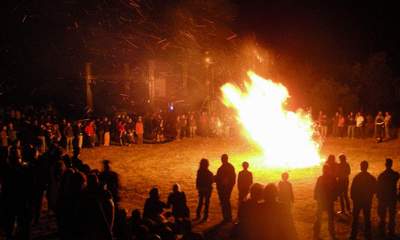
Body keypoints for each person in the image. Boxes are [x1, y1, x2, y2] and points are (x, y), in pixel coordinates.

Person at [349, 160, 376, 240]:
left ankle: (353, 235)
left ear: (361, 167)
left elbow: (352, 190)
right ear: (367, 167)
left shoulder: (357, 177)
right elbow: (375, 189)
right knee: (367, 218)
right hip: (367, 201)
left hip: (357, 201)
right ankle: (368, 234)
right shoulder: (371, 178)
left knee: (355, 219)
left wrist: (354, 198)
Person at [313, 164, 338, 240]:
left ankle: (318, 230)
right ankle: (329, 230)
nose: (325, 171)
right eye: (324, 170)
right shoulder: (329, 178)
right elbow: (317, 188)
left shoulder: (323, 178)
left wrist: (316, 196)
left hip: (324, 200)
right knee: (326, 217)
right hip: (325, 200)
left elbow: (317, 188)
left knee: (321, 216)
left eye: (325, 170)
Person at [377, 158, 399, 237]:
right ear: (391, 164)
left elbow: (378, 187)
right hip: (392, 197)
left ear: (386, 165)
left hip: (384, 197)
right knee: (392, 216)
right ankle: (391, 231)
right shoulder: (395, 174)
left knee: (382, 216)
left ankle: (382, 231)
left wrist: (379, 196)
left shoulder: (382, 175)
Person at [215, 153, 236, 222]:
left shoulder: (221, 168)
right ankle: (228, 216)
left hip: (224, 189)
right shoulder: (230, 167)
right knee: (226, 201)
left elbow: (218, 178)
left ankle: (227, 217)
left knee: (225, 201)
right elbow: (233, 179)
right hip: (226, 188)